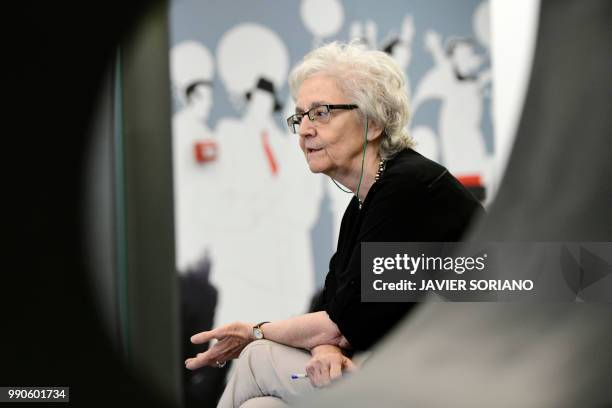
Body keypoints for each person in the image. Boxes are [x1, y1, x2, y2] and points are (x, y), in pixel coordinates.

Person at [185, 41, 484, 408]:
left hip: (457, 373)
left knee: (257, 356)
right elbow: (337, 309)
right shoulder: (362, 202)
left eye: (321, 113)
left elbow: (339, 323)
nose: (304, 130)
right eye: (299, 117)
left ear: (372, 123)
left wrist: (253, 332)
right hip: (399, 364)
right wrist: (327, 348)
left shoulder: (406, 187)